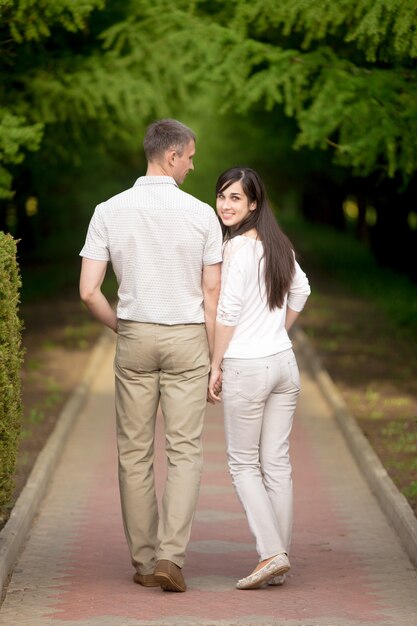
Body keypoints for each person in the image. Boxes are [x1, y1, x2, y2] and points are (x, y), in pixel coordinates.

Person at [79, 119, 222, 593]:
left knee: (134, 452)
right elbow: (211, 292)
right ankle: (171, 558)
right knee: (184, 451)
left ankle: (143, 562)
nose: (194, 165)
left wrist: (122, 326)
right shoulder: (202, 215)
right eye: (190, 157)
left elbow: (88, 292)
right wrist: (215, 357)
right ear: (171, 156)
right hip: (186, 339)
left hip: (135, 336)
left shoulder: (108, 210)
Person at [208, 167, 310, 590]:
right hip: (283, 365)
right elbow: (302, 291)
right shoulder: (278, 245)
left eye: (236, 198)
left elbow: (227, 312)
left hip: (248, 368)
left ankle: (271, 554)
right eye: (222, 196)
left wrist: (215, 365)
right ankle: (279, 558)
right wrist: (277, 333)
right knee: (276, 463)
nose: (227, 205)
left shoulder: (236, 249)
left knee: (244, 464)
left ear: (253, 204)